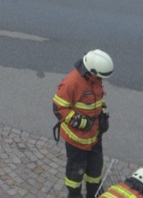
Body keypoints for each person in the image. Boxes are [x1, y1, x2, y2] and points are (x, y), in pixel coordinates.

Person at [53, 49, 114, 198]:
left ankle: (94, 194)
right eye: (99, 76)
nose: (101, 79)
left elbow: (94, 99)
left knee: (95, 170)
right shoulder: (72, 83)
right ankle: (74, 195)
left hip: (95, 136)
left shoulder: (94, 77)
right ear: (91, 70)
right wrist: (78, 121)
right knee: (75, 172)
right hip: (77, 141)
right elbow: (58, 108)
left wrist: (102, 112)